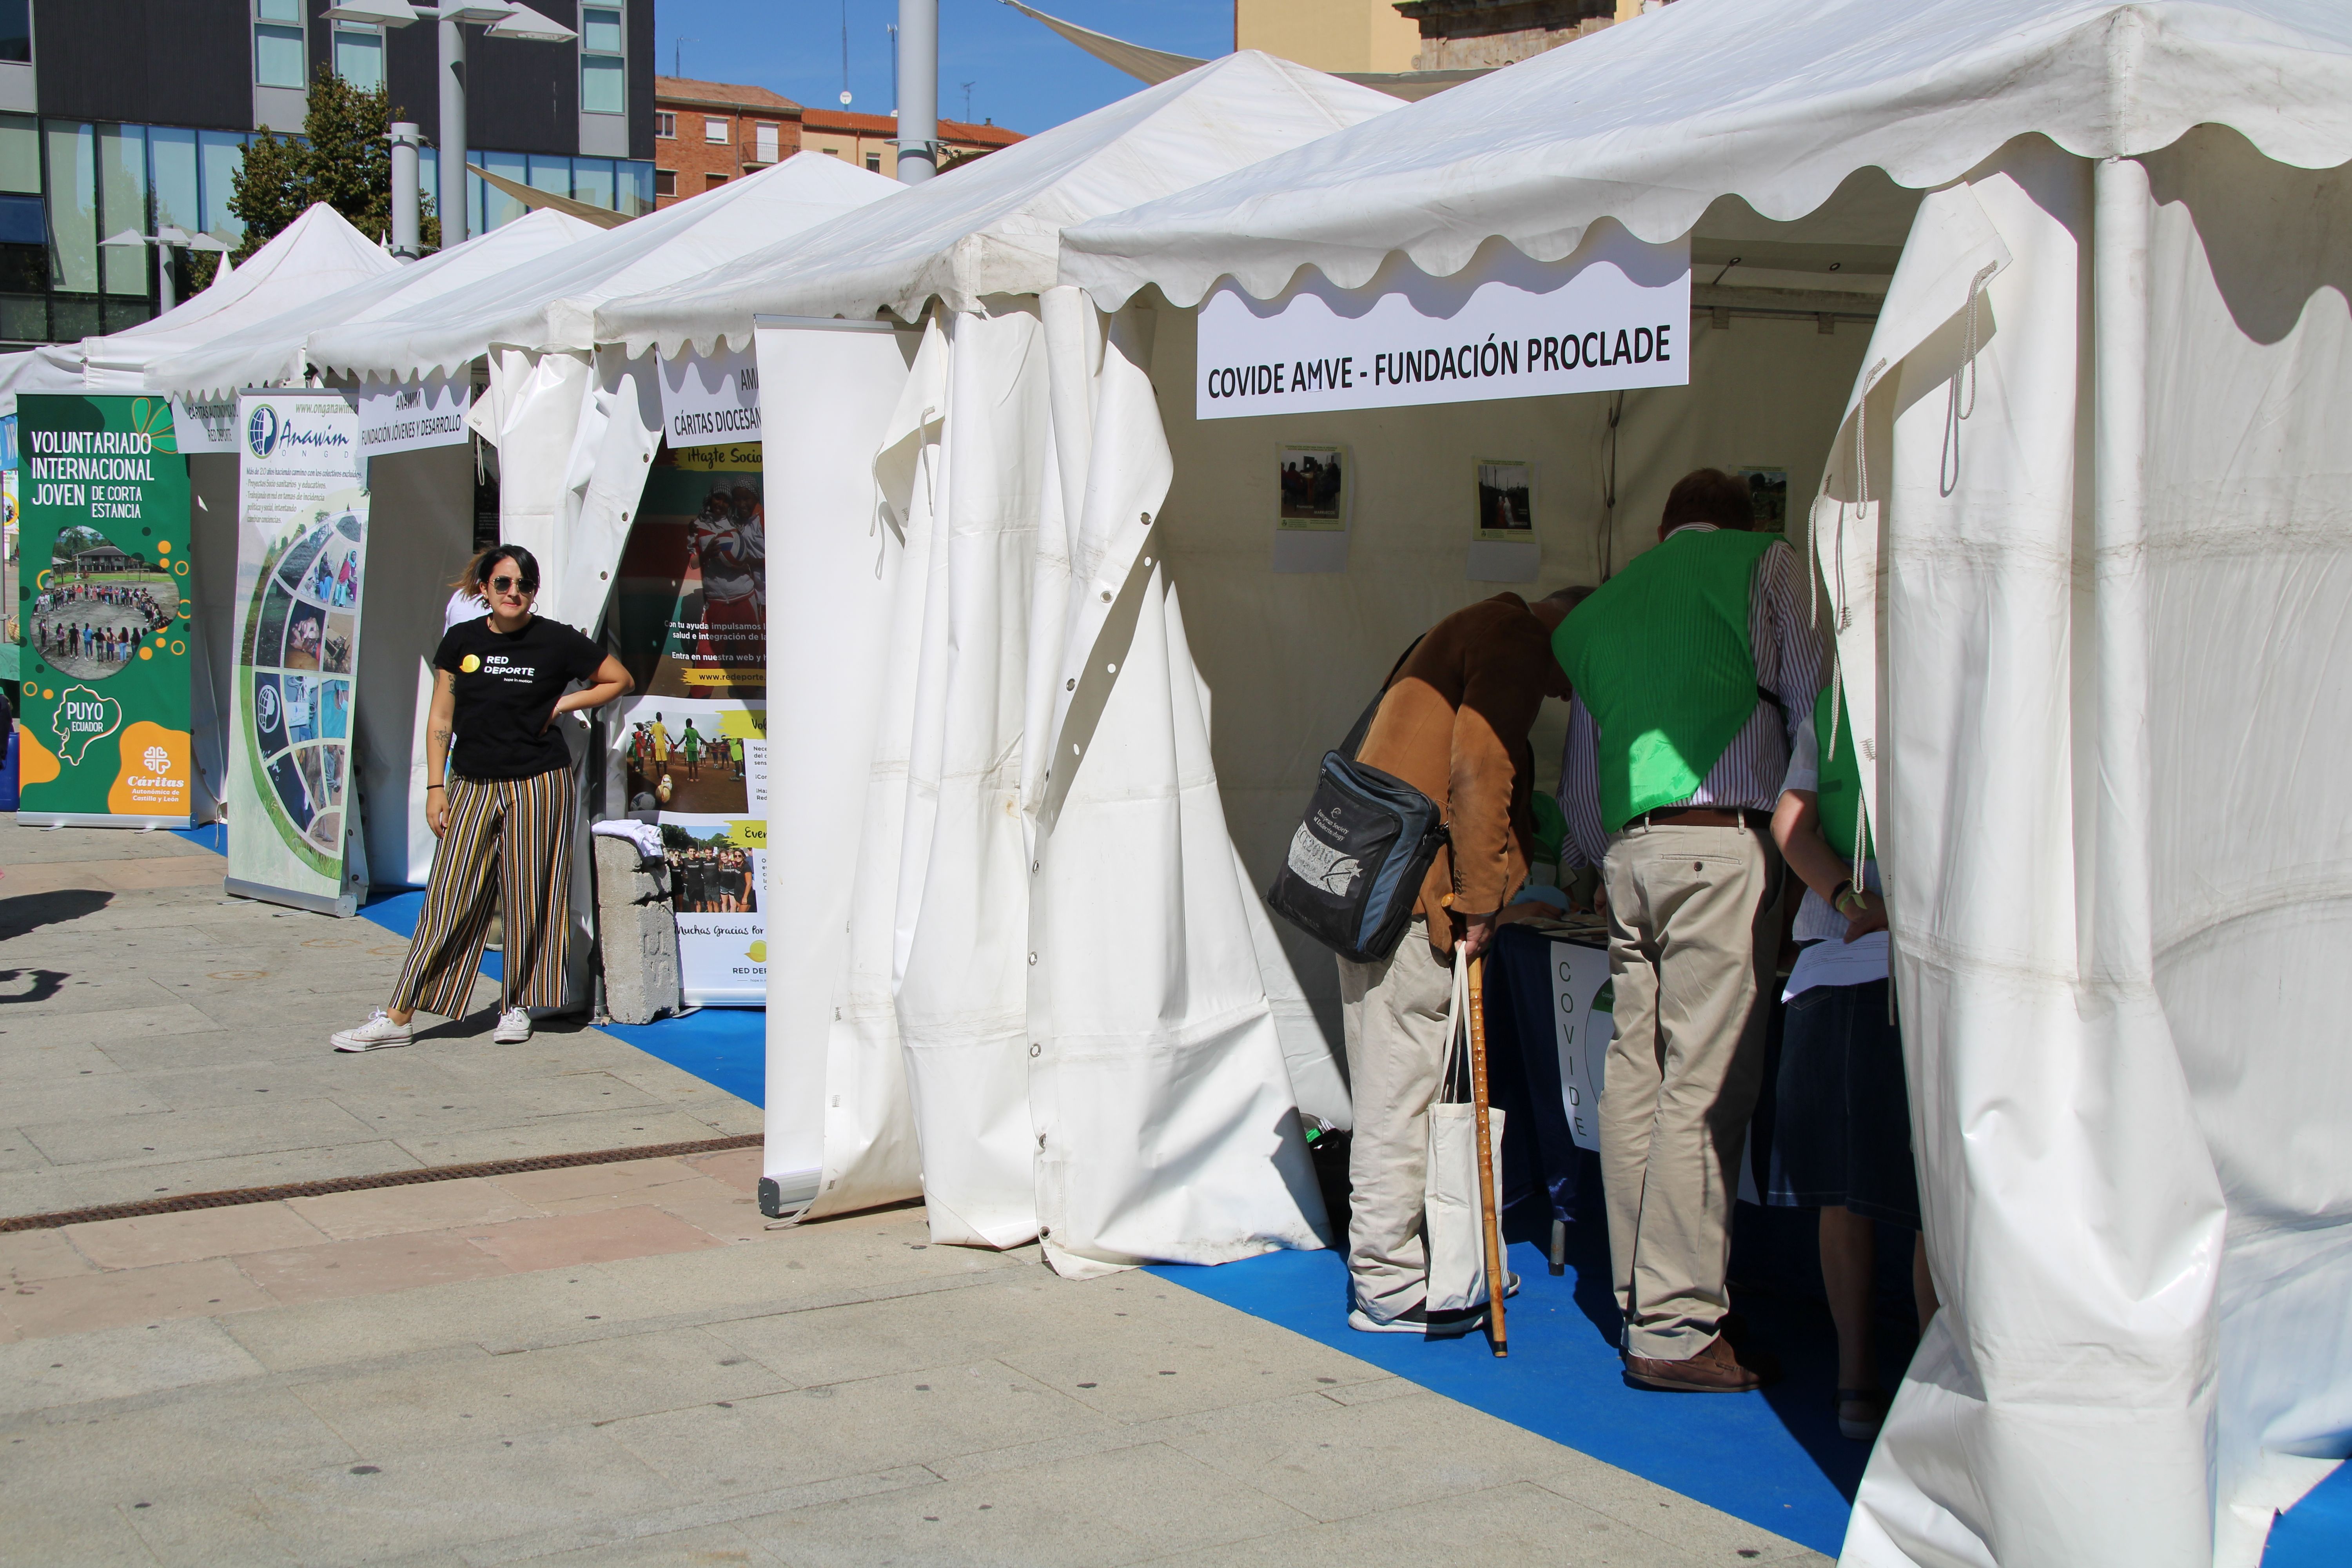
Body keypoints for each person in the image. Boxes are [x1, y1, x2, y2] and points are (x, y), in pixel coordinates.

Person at [1553, 467, 1824, 1393]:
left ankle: (1642, 1290)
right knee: (1703, 1084)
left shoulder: (1601, 612)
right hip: (1723, 846)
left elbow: (1583, 791)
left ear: (1665, 525)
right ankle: (1675, 1324)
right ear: (1740, 521)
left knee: (1636, 1072)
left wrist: (1616, 853)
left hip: (1631, 855)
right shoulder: (1766, 565)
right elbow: (1815, 705)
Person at [1338, 588, 1582, 1336]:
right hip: (1415, 900)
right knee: (1402, 1091)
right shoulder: (1514, 639)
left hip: (1380, 887)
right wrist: (1481, 897)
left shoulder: (1463, 627)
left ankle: (1415, 1263)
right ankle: (1388, 1284)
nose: (1572, 694)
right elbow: (1483, 766)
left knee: (1400, 1082)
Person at [331, 546, 632, 1051]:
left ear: (534, 592)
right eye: (503, 584)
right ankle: (400, 1016)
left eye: (524, 586)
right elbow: (440, 719)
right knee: (450, 899)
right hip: (471, 782)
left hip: (540, 783)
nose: (514, 593)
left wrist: (565, 702)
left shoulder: (556, 641)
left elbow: (618, 679)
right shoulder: (461, 640)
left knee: (531, 894)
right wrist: (435, 787)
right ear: (484, 588)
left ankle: (518, 1004)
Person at [1768, 679, 1937, 1441]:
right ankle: (1922, 1388)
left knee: (1852, 1185)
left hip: (1838, 958)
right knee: (1931, 1189)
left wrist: (1843, 902)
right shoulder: (1865, 700)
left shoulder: (1829, 707)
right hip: (1910, 962)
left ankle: (1857, 1379)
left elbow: (1793, 827)